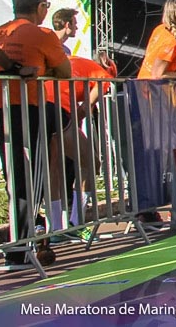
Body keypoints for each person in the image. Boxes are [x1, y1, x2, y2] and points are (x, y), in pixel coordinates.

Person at [0, 0, 72, 267]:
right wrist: (41, 70)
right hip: (28, 109)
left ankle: (19, 243)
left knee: (15, 175)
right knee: (29, 176)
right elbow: (65, 72)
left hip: (0, 111)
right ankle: (20, 246)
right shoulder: (42, 34)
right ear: (40, 7)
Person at [44, 51, 117, 244]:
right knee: (90, 162)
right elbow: (85, 108)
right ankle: (76, 222)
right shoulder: (101, 74)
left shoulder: (75, 62)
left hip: (43, 106)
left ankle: (56, 229)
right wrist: (75, 120)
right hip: (59, 111)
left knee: (54, 169)